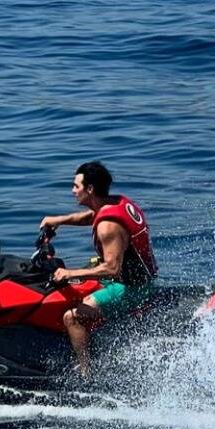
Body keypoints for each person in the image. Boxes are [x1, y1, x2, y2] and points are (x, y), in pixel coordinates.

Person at [40, 161, 158, 377]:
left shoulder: (108, 227)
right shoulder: (114, 203)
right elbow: (92, 215)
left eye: (76, 186)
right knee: (78, 285)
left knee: (72, 317)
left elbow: (112, 268)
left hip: (133, 287)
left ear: (90, 189)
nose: (72, 190)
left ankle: (86, 373)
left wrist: (70, 273)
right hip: (132, 277)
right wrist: (58, 220)